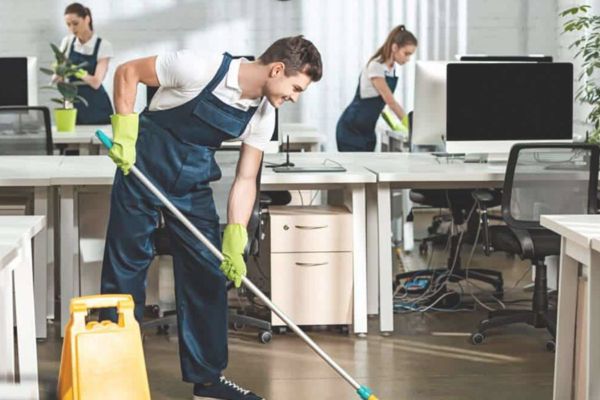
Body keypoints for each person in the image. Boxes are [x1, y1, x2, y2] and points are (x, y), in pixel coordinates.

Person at [100, 36, 322, 400]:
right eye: (296, 88)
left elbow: (246, 178)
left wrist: (235, 236)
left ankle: (208, 382)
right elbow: (128, 72)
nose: (295, 97)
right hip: (141, 172)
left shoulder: (263, 114)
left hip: (192, 186)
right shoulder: (199, 67)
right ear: (278, 69)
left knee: (207, 275)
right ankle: (109, 379)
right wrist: (124, 133)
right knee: (124, 272)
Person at [336, 25, 417, 151]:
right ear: (394, 47)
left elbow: (381, 104)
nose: (408, 59)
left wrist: (400, 125)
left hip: (367, 131)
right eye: (406, 54)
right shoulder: (376, 66)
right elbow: (391, 102)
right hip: (351, 129)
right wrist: (411, 127)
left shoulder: (391, 70)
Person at [60, 2, 114, 124]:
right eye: (68, 24)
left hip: (97, 106)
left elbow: (96, 82)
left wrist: (76, 71)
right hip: (73, 103)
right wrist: (57, 72)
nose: (72, 28)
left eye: (75, 23)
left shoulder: (103, 45)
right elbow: (59, 77)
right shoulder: (67, 42)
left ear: (87, 19)